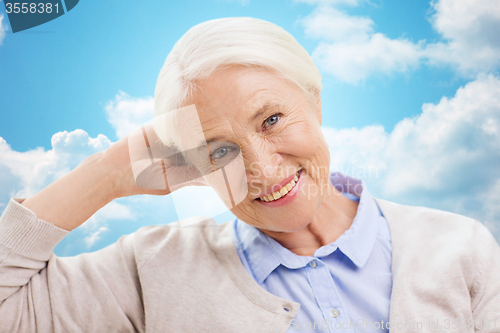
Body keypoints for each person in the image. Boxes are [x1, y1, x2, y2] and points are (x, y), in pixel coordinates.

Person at [1, 17, 499, 333]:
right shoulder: (152, 270)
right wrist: (108, 174)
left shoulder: (458, 246)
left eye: (272, 119)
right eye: (219, 151)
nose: (261, 169)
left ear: (315, 99)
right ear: (191, 166)